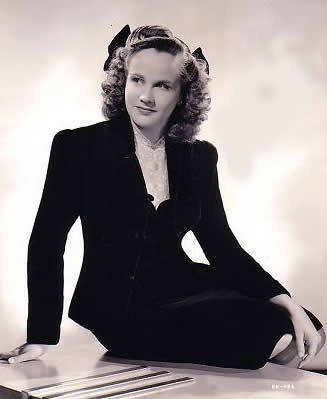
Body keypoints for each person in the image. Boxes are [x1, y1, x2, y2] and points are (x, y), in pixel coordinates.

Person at [1, 25, 325, 369]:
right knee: (263, 328)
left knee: (300, 321)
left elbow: (221, 246)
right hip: (118, 309)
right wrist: (40, 335)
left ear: (183, 95)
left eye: (162, 85)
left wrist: (286, 301)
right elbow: (47, 241)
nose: (146, 96)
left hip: (183, 289)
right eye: (137, 80)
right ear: (122, 81)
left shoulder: (199, 157)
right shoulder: (78, 147)